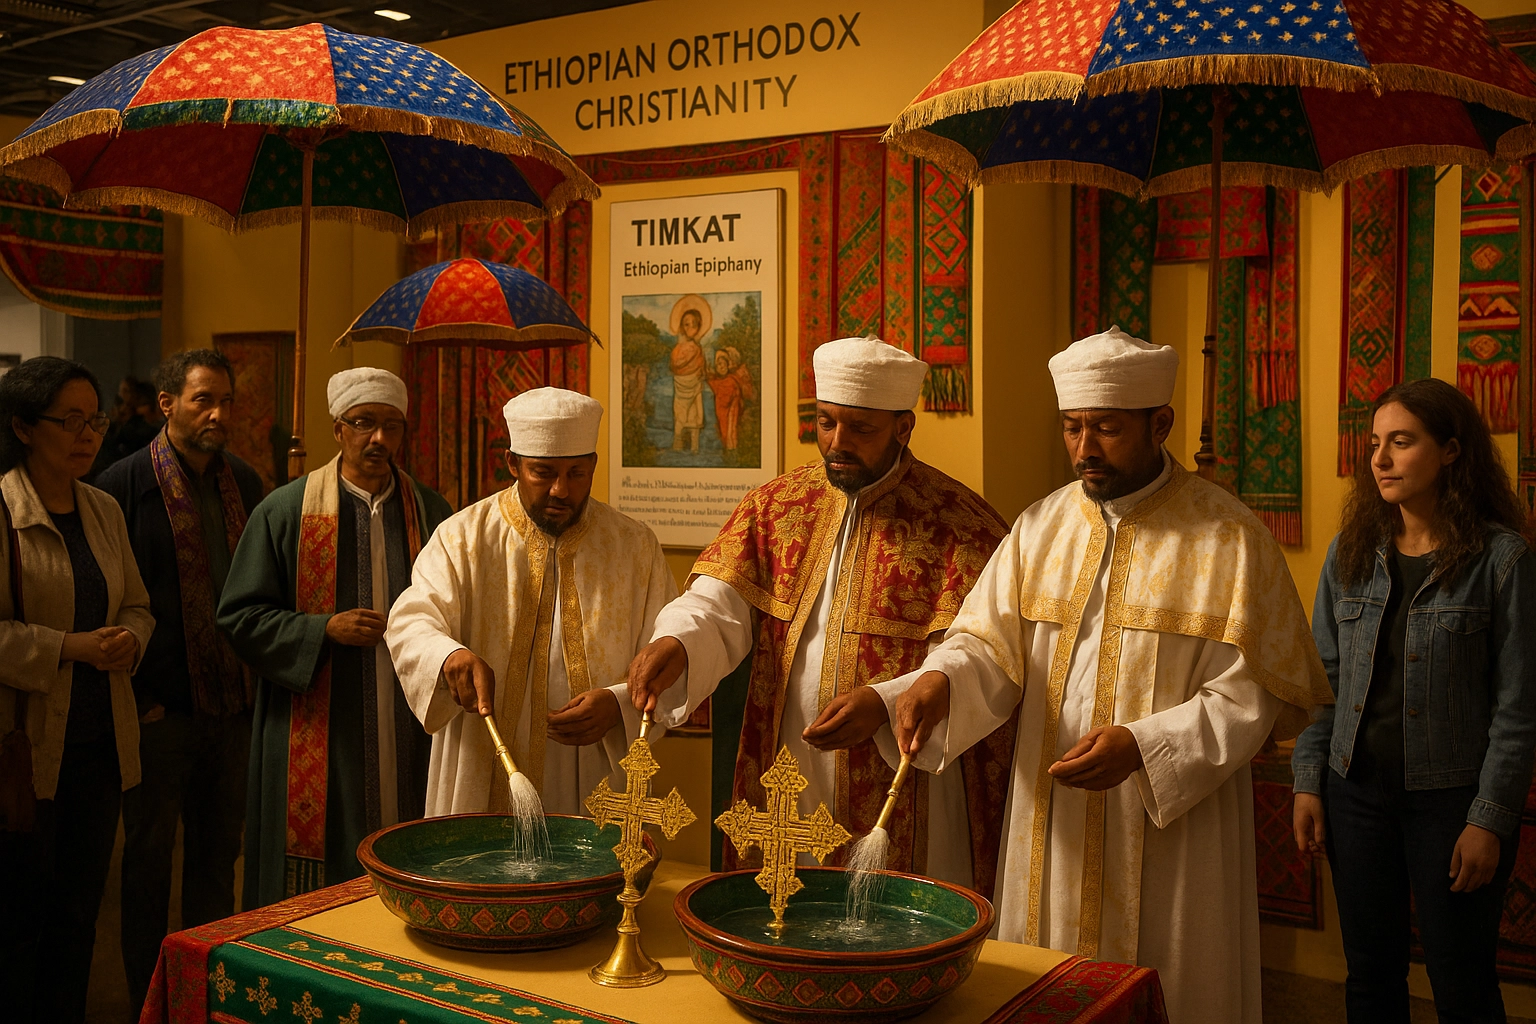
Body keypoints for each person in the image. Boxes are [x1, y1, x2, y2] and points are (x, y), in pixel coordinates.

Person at [879, 328, 1330, 1024]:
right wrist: (941, 680)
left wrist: (1145, 748)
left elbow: (1256, 692)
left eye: (1107, 429)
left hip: (1171, 824)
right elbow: (983, 644)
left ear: (1161, 424)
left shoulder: (1229, 538)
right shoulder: (1041, 527)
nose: (1085, 448)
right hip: (1052, 817)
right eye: (1072, 428)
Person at [627, 337, 1013, 890]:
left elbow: (982, 646)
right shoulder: (776, 504)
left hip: (903, 771)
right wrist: (679, 640)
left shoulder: (961, 523)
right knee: (785, 906)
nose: (837, 443)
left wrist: (886, 703)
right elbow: (718, 602)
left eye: (861, 429)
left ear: (903, 428)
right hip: (789, 759)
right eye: (826, 423)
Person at [1293, 378, 1536, 1023]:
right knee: (1371, 977)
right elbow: (1324, 682)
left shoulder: (1501, 561)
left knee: (1461, 982)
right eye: (1375, 443)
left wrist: (1488, 819)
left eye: (1401, 443)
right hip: (1356, 794)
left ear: (1452, 451)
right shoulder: (1350, 554)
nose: (1379, 460)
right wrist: (1308, 782)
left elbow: (1518, 710)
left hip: (1451, 802)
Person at [218, 367, 452, 906]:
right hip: (321, 721)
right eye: (364, 423)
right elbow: (239, 617)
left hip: (410, 718)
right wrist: (321, 628)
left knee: (411, 841)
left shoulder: (432, 513)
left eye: (391, 427)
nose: (379, 439)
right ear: (337, 429)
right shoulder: (284, 512)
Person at [387, 388, 676, 814]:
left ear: (594, 465)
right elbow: (411, 620)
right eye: (543, 472)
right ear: (512, 464)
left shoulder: (634, 546)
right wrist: (448, 657)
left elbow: (668, 648)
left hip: (595, 764)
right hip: (484, 753)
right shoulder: (462, 537)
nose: (561, 490)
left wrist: (618, 704)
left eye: (577, 473)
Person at [95, 349, 264, 1019]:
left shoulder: (246, 483)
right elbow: (107, 601)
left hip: (231, 710)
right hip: (158, 711)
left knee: (218, 862)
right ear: (167, 404)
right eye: (203, 400)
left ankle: (204, 994)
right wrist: (140, 700)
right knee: (146, 866)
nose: (219, 413)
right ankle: (148, 999)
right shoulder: (121, 486)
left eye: (226, 399)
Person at [0, 357, 154, 1024]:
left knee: (78, 916)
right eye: (70, 420)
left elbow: (140, 605)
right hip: (25, 752)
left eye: (95, 419)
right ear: (23, 428)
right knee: (17, 921)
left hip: (98, 749)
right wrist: (70, 647)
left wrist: (128, 638)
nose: (88, 434)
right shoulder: (4, 512)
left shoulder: (104, 509)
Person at [670, 299, 709, 453]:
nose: (691, 328)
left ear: (699, 326)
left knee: (694, 416)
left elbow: (702, 367)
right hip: (681, 386)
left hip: (695, 387)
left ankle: (694, 447)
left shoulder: (698, 348)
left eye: (694, 324)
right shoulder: (679, 348)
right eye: (687, 324)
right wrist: (688, 356)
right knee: (680, 417)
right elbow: (675, 364)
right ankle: (678, 445)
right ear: (681, 327)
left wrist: (701, 372)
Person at [707, 346, 755, 455]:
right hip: (722, 412)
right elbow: (714, 385)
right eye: (718, 365)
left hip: (731, 411)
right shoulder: (720, 380)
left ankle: (732, 452)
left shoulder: (731, 380)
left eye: (723, 364)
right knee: (723, 431)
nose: (721, 367)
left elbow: (728, 397)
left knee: (730, 431)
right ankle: (728, 451)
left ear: (728, 365)